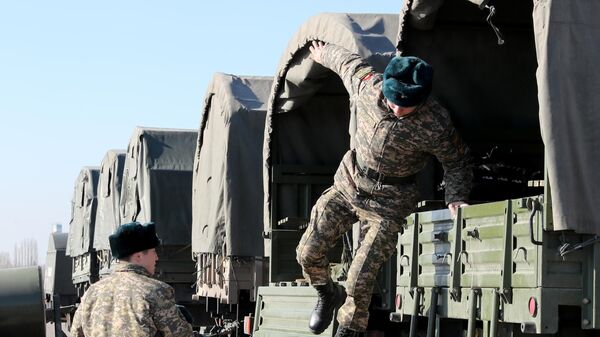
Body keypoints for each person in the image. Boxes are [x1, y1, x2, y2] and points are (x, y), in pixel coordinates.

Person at [296, 41, 473, 337]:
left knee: (359, 280)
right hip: (349, 185)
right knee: (307, 253)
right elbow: (346, 62)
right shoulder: (368, 87)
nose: (398, 109)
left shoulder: (435, 123)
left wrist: (456, 197)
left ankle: (349, 330)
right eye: (394, 102)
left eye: (407, 105)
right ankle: (328, 293)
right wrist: (321, 53)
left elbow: (458, 161)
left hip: (388, 204)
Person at [70, 222, 194, 337]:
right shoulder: (156, 291)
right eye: (153, 252)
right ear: (139, 256)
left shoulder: (92, 292)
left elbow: (76, 333)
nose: (156, 257)